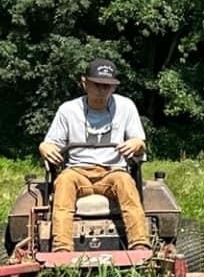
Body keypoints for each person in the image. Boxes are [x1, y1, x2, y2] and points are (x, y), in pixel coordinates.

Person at [38, 58, 150, 251]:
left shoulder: (126, 106)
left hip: (113, 171)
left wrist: (135, 143)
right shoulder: (68, 110)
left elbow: (139, 142)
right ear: (84, 83)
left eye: (107, 86)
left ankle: (140, 245)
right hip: (77, 172)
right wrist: (44, 147)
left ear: (113, 87)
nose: (102, 90)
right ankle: (62, 248)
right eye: (97, 85)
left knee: (126, 184)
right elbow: (50, 143)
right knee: (63, 184)